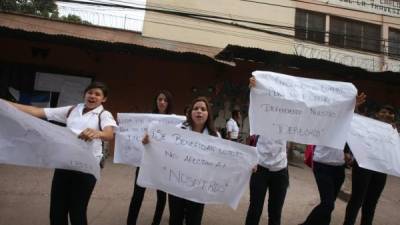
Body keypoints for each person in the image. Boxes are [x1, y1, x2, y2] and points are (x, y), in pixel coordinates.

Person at [4, 81, 117, 225]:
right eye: (90, 92)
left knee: (77, 212)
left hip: (86, 168)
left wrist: (96, 133)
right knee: (57, 211)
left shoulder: (104, 114)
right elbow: (39, 112)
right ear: (85, 94)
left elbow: (109, 134)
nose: (92, 96)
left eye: (97, 94)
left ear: (104, 99)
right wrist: (4, 104)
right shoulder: (73, 109)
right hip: (65, 164)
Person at [142, 96, 219, 225]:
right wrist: (149, 142)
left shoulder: (215, 136)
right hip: (177, 185)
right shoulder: (178, 129)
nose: (199, 111)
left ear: (208, 114)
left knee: (194, 221)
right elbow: (163, 146)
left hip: (198, 188)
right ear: (190, 112)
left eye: (203, 109)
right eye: (196, 108)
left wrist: (246, 165)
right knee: (175, 220)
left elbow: (223, 161)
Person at [299, 93, 366, 225]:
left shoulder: (348, 121)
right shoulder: (324, 115)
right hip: (322, 165)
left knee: (329, 204)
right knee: (328, 204)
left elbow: (354, 138)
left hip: (338, 167)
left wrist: (348, 155)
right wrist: (349, 106)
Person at [245, 77, 289, 225]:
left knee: (275, 213)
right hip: (260, 166)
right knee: (254, 210)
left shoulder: (291, 115)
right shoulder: (262, 110)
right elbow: (255, 101)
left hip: (280, 169)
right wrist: (253, 88)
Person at [343, 104, 396, 225]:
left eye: (390, 113)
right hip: (363, 166)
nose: (387, 114)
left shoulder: (394, 131)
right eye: (383, 111)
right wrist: (347, 151)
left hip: (381, 169)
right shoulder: (366, 125)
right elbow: (352, 133)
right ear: (376, 114)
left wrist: (395, 133)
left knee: (371, 202)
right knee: (357, 199)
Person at [127, 90, 173, 225]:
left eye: (165, 100)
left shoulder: (174, 121)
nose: (162, 102)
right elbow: (137, 135)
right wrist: (143, 140)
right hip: (144, 161)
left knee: (161, 195)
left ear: (169, 103)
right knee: (138, 193)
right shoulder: (147, 118)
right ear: (156, 101)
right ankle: (130, 222)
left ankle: (156, 222)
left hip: (162, 164)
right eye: (160, 99)